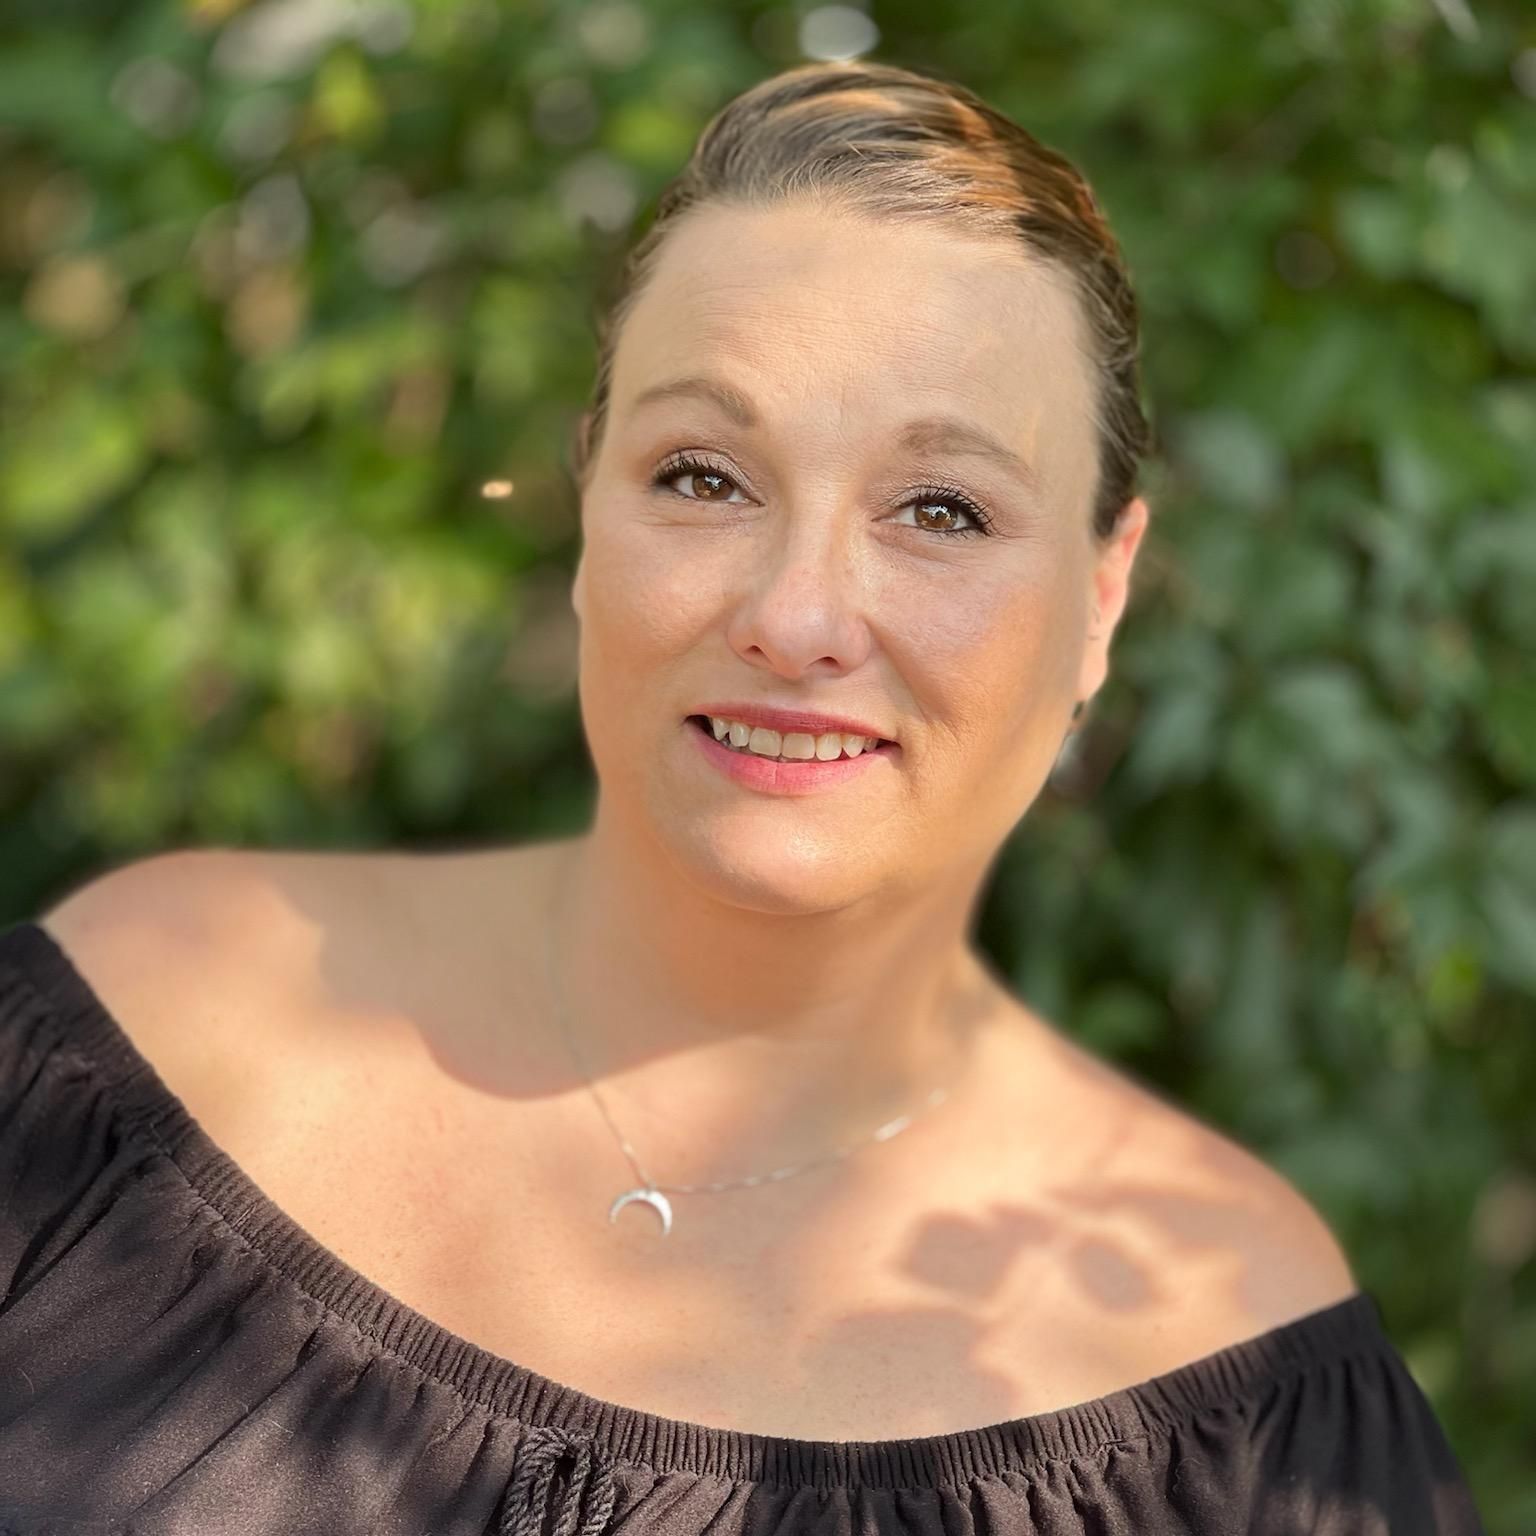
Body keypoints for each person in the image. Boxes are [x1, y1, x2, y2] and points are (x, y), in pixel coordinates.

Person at [0, 57, 1483, 1536]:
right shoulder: (149, 1014)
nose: (797, 613)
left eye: (941, 509)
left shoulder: (1240, 1364)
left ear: (1100, 597)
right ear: (590, 512)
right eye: (706, 476)